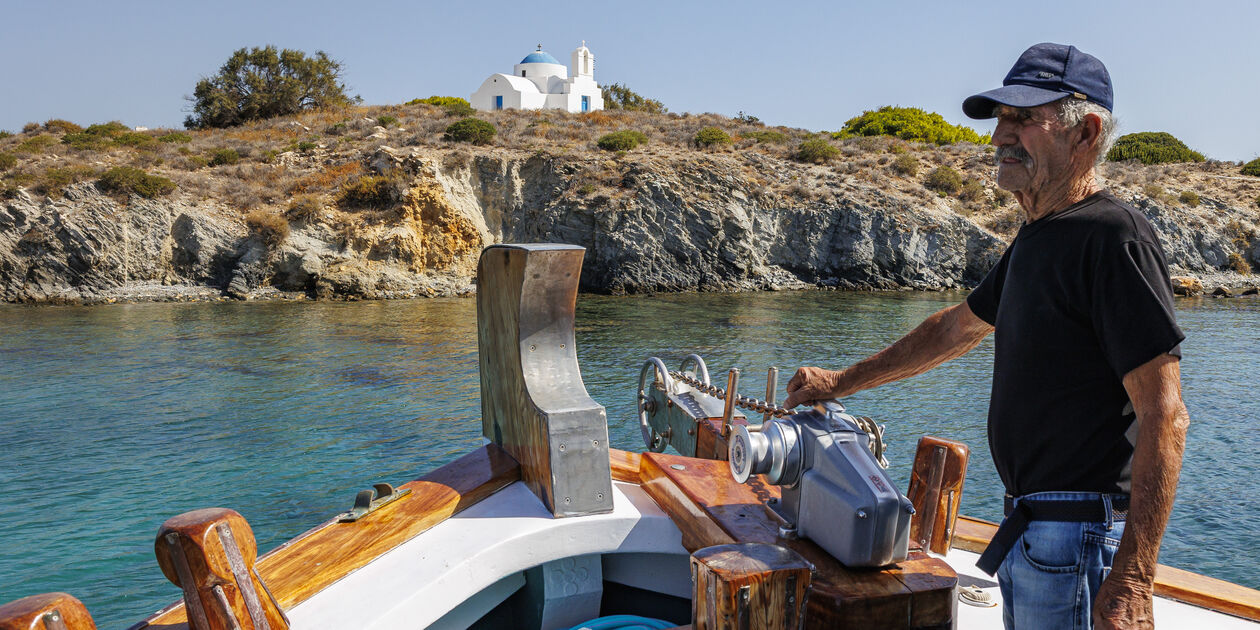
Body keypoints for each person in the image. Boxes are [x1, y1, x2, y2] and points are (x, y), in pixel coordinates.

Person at [782, 43, 1189, 630]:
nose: (999, 136)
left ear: (1086, 133)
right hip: (1038, 535)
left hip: (1079, 540)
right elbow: (955, 328)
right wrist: (840, 382)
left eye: (1023, 118)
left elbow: (1166, 416)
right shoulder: (1038, 238)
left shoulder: (1111, 236)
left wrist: (1132, 579)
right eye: (1000, 119)